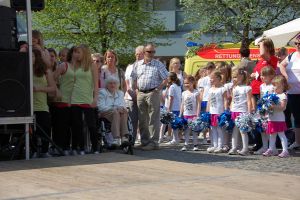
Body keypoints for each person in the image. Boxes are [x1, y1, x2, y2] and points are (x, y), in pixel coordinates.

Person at [131, 43, 169, 150]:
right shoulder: (137, 64)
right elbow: (133, 78)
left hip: (153, 93)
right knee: (142, 119)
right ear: (144, 52)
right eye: (149, 51)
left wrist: (158, 89)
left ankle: (153, 143)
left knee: (153, 118)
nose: (151, 54)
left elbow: (166, 78)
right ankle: (144, 141)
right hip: (141, 93)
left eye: (153, 52)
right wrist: (136, 89)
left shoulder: (158, 64)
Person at [63, 45, 99, 155]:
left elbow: (96, 84)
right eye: (75, 52)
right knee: (76, 125)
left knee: (91, 124)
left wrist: (95, 98)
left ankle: (95, 147)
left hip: (87, 99)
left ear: (84, 53)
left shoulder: (92, 65)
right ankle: (80, 147)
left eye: (79, 52)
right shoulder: (74, 65)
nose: (76, 54)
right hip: (74, 98)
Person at [250, 38, 278, 151]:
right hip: (256, 91)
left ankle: (265, 145)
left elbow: (263, 53)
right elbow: (258, 73)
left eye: (261, 46)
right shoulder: (260, 61)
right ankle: (260, 144)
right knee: (258, 120)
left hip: (264, 94)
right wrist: (253, 75)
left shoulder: (272, 59)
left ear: (268, 47)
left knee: (264, 120)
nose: (259, 49)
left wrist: (261, 41)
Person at [32, 48, 56, 158]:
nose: (31, 59)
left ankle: (45, 151)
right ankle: (32, 151)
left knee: (45, 128)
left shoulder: (45, 71)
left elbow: (53, 89)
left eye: (33, 56)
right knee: (31, 132)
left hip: (41, 106)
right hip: (29, 107)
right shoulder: (24, 70)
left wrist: (38, 88)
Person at [279, 34, 300, 150]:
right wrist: (286, 76)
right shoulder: (291, 56)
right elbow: (281, 65)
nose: (298, 46)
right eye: (296, 43)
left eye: (299, 44)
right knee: (296, 117)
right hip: (292, 92)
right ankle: (297, 141)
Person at [263, 75, 289, 158]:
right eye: (273, 85)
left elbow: (282, 107)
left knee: (281, 135)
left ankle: (285, 150)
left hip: (279, 119)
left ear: (282, 86)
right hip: (272, 118)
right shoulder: (271, 95)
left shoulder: (283, 96)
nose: (274, 88)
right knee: (272, 135)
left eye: (276, 86)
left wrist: (273, 106)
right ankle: (271, 149)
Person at [98, 76, 129, 145]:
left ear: (117, 85)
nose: (112, 85)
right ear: (107, 85)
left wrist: (121, 108)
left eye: (114, 83)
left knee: (124, 111)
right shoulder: (102, 93)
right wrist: (114, 108)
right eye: (110, 83)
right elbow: (101, 107)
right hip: (105, 113)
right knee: (116, 112)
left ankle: (124, 137)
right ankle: (116, 137)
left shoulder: (120, 93)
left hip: (117, 113)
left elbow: (123, 104)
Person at [228, 69, 252, 155]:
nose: (233, 79)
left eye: (235, 77)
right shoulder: (234, 88)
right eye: (232, 77)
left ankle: (245, 148)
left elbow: (249, 101)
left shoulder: (247, 88)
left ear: (241, 77)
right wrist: (231, 109)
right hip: (234, 111)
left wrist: (248, 113)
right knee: (234, 130)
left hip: (242, 112)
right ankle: (234, 147)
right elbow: (233, 99)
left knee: (243, 130)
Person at [253, 66, 276, 155]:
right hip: (262, 109)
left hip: (270, 110)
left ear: (271, 76)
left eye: (264, 75)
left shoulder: (273, 86)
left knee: (270, 129)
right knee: (263, 128)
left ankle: (272, 147)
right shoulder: (262, 86)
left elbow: (274, 98)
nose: (262, 77)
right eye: (262, 75)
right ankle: (265, 146)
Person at [125, 46, 144, 143]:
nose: (138, 56)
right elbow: (127, 83)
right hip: (131, 97)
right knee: (132, 120)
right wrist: (131, 94)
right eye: (136, 54)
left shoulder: (147, 67)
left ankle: (144, 141)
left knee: (144, 121)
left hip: (143, 97)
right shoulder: (130, 67)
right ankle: (131, 141)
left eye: (140, 54)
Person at [207, 70, 228, 153]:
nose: (211, 80)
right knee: (213, 129)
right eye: (210, 78)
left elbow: (225, 100)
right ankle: (214, 145)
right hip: (212, 112)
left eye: (212, 78)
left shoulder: (222, 89)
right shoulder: (210, 89)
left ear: (218, 78)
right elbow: (209, 101)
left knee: (220, 129)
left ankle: (220, 145)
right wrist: (207, 111)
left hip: (219, 112)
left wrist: (225, 111)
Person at [179, 75, 201, 151]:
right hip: (186, 115)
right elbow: (182, 104)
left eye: (188, 83)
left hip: (193, 115)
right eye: (185, 83)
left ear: (192, 83)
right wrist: (180, 113)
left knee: (194, 131)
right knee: (186, 130)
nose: (186, 85)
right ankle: (186, 144)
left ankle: (195, 144)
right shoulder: (184, 93)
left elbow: (198, 104)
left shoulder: (196, 92)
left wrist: (197, 114)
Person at [161, 72, 182, 145]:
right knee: (174, 124)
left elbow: (171, 98)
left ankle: (175, 139)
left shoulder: (172, 87)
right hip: (177, 107)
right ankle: (175, 139)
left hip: (172, 108)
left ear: (169, 78)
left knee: (173, 124)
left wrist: (169, 109)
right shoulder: (178, 86)